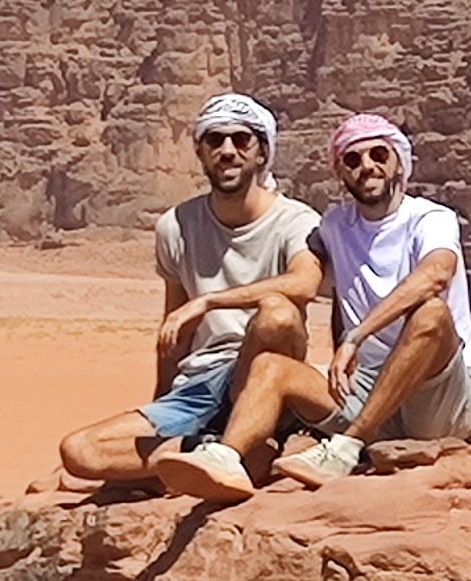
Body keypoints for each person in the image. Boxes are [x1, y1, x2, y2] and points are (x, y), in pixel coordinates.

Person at [57, 93, 321, 496]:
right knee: (79, 452)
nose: (228, 151)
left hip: (260, 374)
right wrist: (161, 406)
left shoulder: (296, 220)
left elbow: (304, 284)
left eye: (241, 140)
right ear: (200, 150)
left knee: (276, 313)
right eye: (215, 140)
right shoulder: (176, 226)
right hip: (198, 385)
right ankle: (222, 451)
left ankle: (249, 433)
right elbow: (174, 331)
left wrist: (210, 300)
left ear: (262, 151)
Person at [210, 112, 471, 491]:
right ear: (340, 172)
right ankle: (224, 459)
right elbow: (321, 283)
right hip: (368, 390)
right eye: (353, 160)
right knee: (271, 366)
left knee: (432, 314)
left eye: (378, 155)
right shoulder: (334, 226)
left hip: (435, 401)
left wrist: (355, 339)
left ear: (399, 163)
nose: (367, 166)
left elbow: (435, 276)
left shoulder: (430, 218)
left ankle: (343, 449)